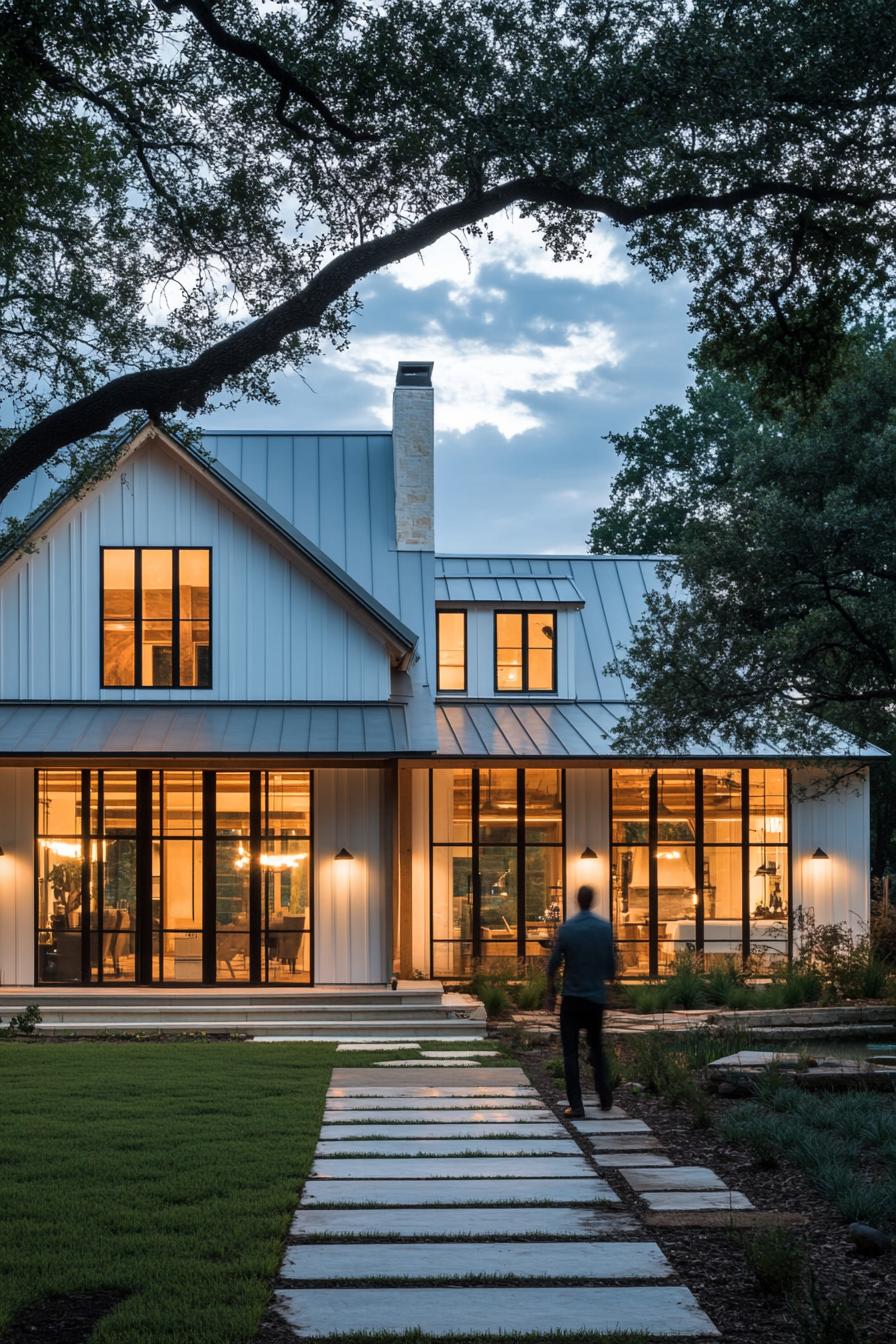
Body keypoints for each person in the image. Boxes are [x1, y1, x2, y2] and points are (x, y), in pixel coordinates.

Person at [546, 884, 615, 1118]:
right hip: (595, 998)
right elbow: (611, 968)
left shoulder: (567, 929)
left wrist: (550, 992)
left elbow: (553, 965)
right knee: (596, 1047)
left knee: (570, 1053)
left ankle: (576, 1106)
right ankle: (605, 1097)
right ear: (593, 900)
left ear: (577, 901)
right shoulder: (605, 928)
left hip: (573, 999)